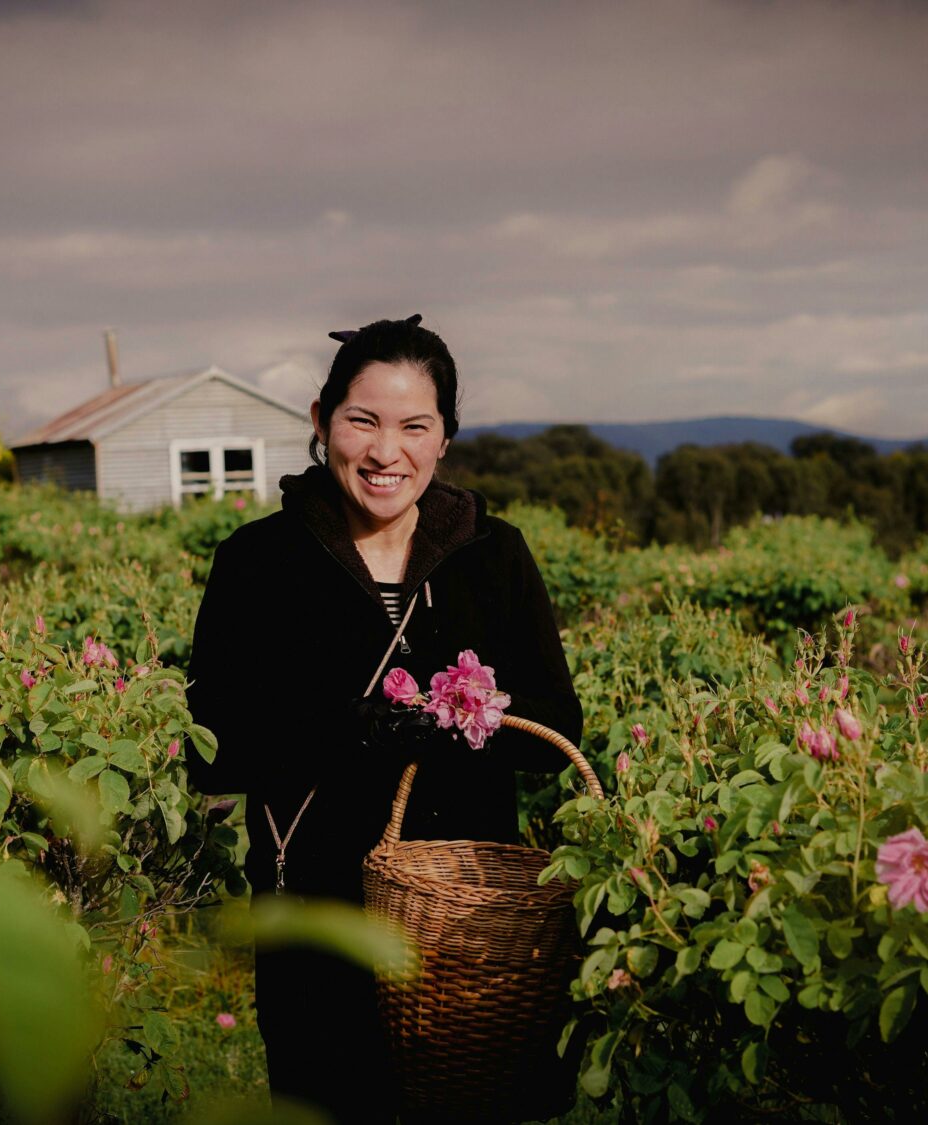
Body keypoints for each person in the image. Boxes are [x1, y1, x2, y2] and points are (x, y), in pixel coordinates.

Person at [184, 315, 582, 1123]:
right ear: (320, 418)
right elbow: (211, 747)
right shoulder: (258, 561)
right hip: (315, 912)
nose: (383, 450)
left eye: (413, 426)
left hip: (460, 919)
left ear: (445, 439)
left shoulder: (494, 555)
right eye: (362, 420)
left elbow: (554, 726)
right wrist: (349, 726)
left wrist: (461, 724)